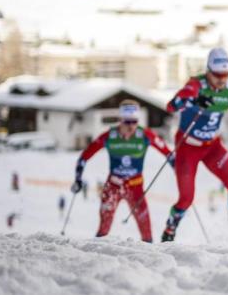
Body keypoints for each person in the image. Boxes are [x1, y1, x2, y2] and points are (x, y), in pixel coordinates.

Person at [161, 47, 228, 246]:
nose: (222, 79)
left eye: (226, 74)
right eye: (217, 75)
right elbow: (172, 105)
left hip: (212, 146)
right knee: (186, 199)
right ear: (208, 71)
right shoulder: (196, 85)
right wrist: (195, 100)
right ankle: (169, 231)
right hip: (188, 148)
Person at [71, 100, 173, 242]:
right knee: (104, 228)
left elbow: (169, 154)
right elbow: (84, 157)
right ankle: (97, 257)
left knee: (146, 230)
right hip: (113, 186)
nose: (131, 126)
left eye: (134, 121)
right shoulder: (109, 136)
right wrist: (78, 179)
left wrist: (181, 173)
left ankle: (150, 259)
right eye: (127, 121)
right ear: (120, 120)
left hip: (135, 187)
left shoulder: (145, 135)